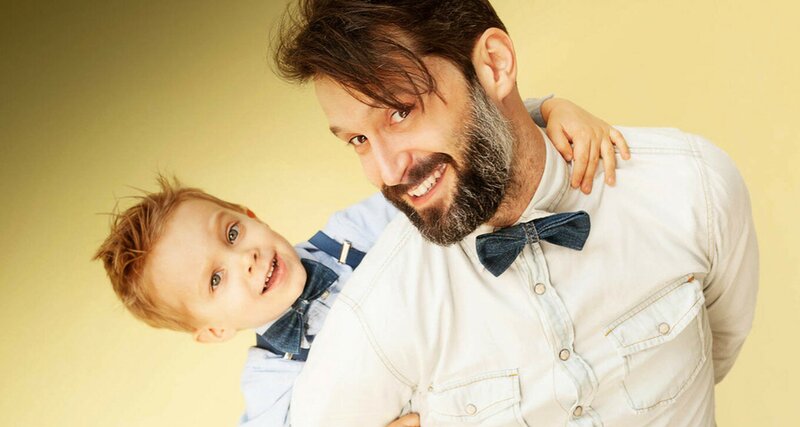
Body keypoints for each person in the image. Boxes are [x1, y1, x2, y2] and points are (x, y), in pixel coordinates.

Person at [273, 1, 760, 426]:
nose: (386, 170)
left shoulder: (691, 185)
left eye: (400, 111)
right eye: (358, 140)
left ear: (494, 64)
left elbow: (721, 346)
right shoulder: (376, 316)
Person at [93, 96, 622, 426]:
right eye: (215, 279)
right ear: (213, 331)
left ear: (250, 214)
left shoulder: (350, 234)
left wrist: (547, 111)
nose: (245, 258)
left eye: (231, 233)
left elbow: (441, 172)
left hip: (503, 363)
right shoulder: (271, 378)